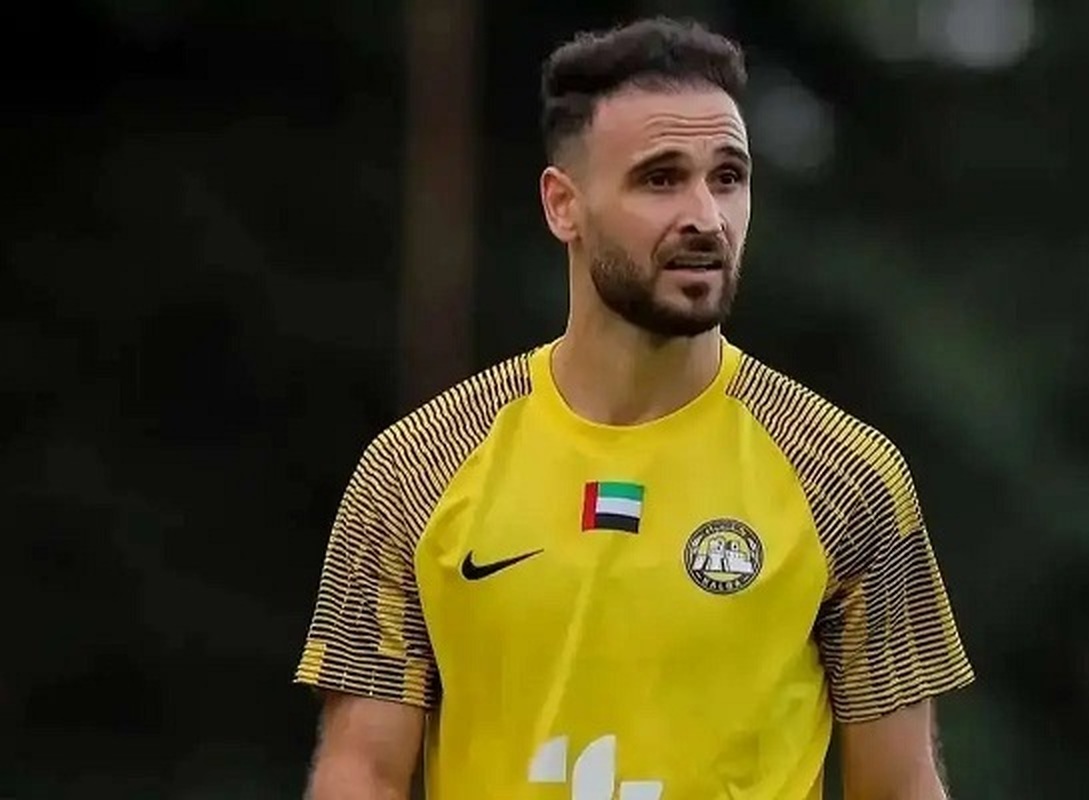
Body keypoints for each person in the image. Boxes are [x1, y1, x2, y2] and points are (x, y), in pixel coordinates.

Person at [295, 16, 974, 800]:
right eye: (660, 179)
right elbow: (362, 773)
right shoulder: (416, 467)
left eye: (728, 177)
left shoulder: (847, 475)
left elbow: (900, 787)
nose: (706, 217)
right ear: (563, 205)